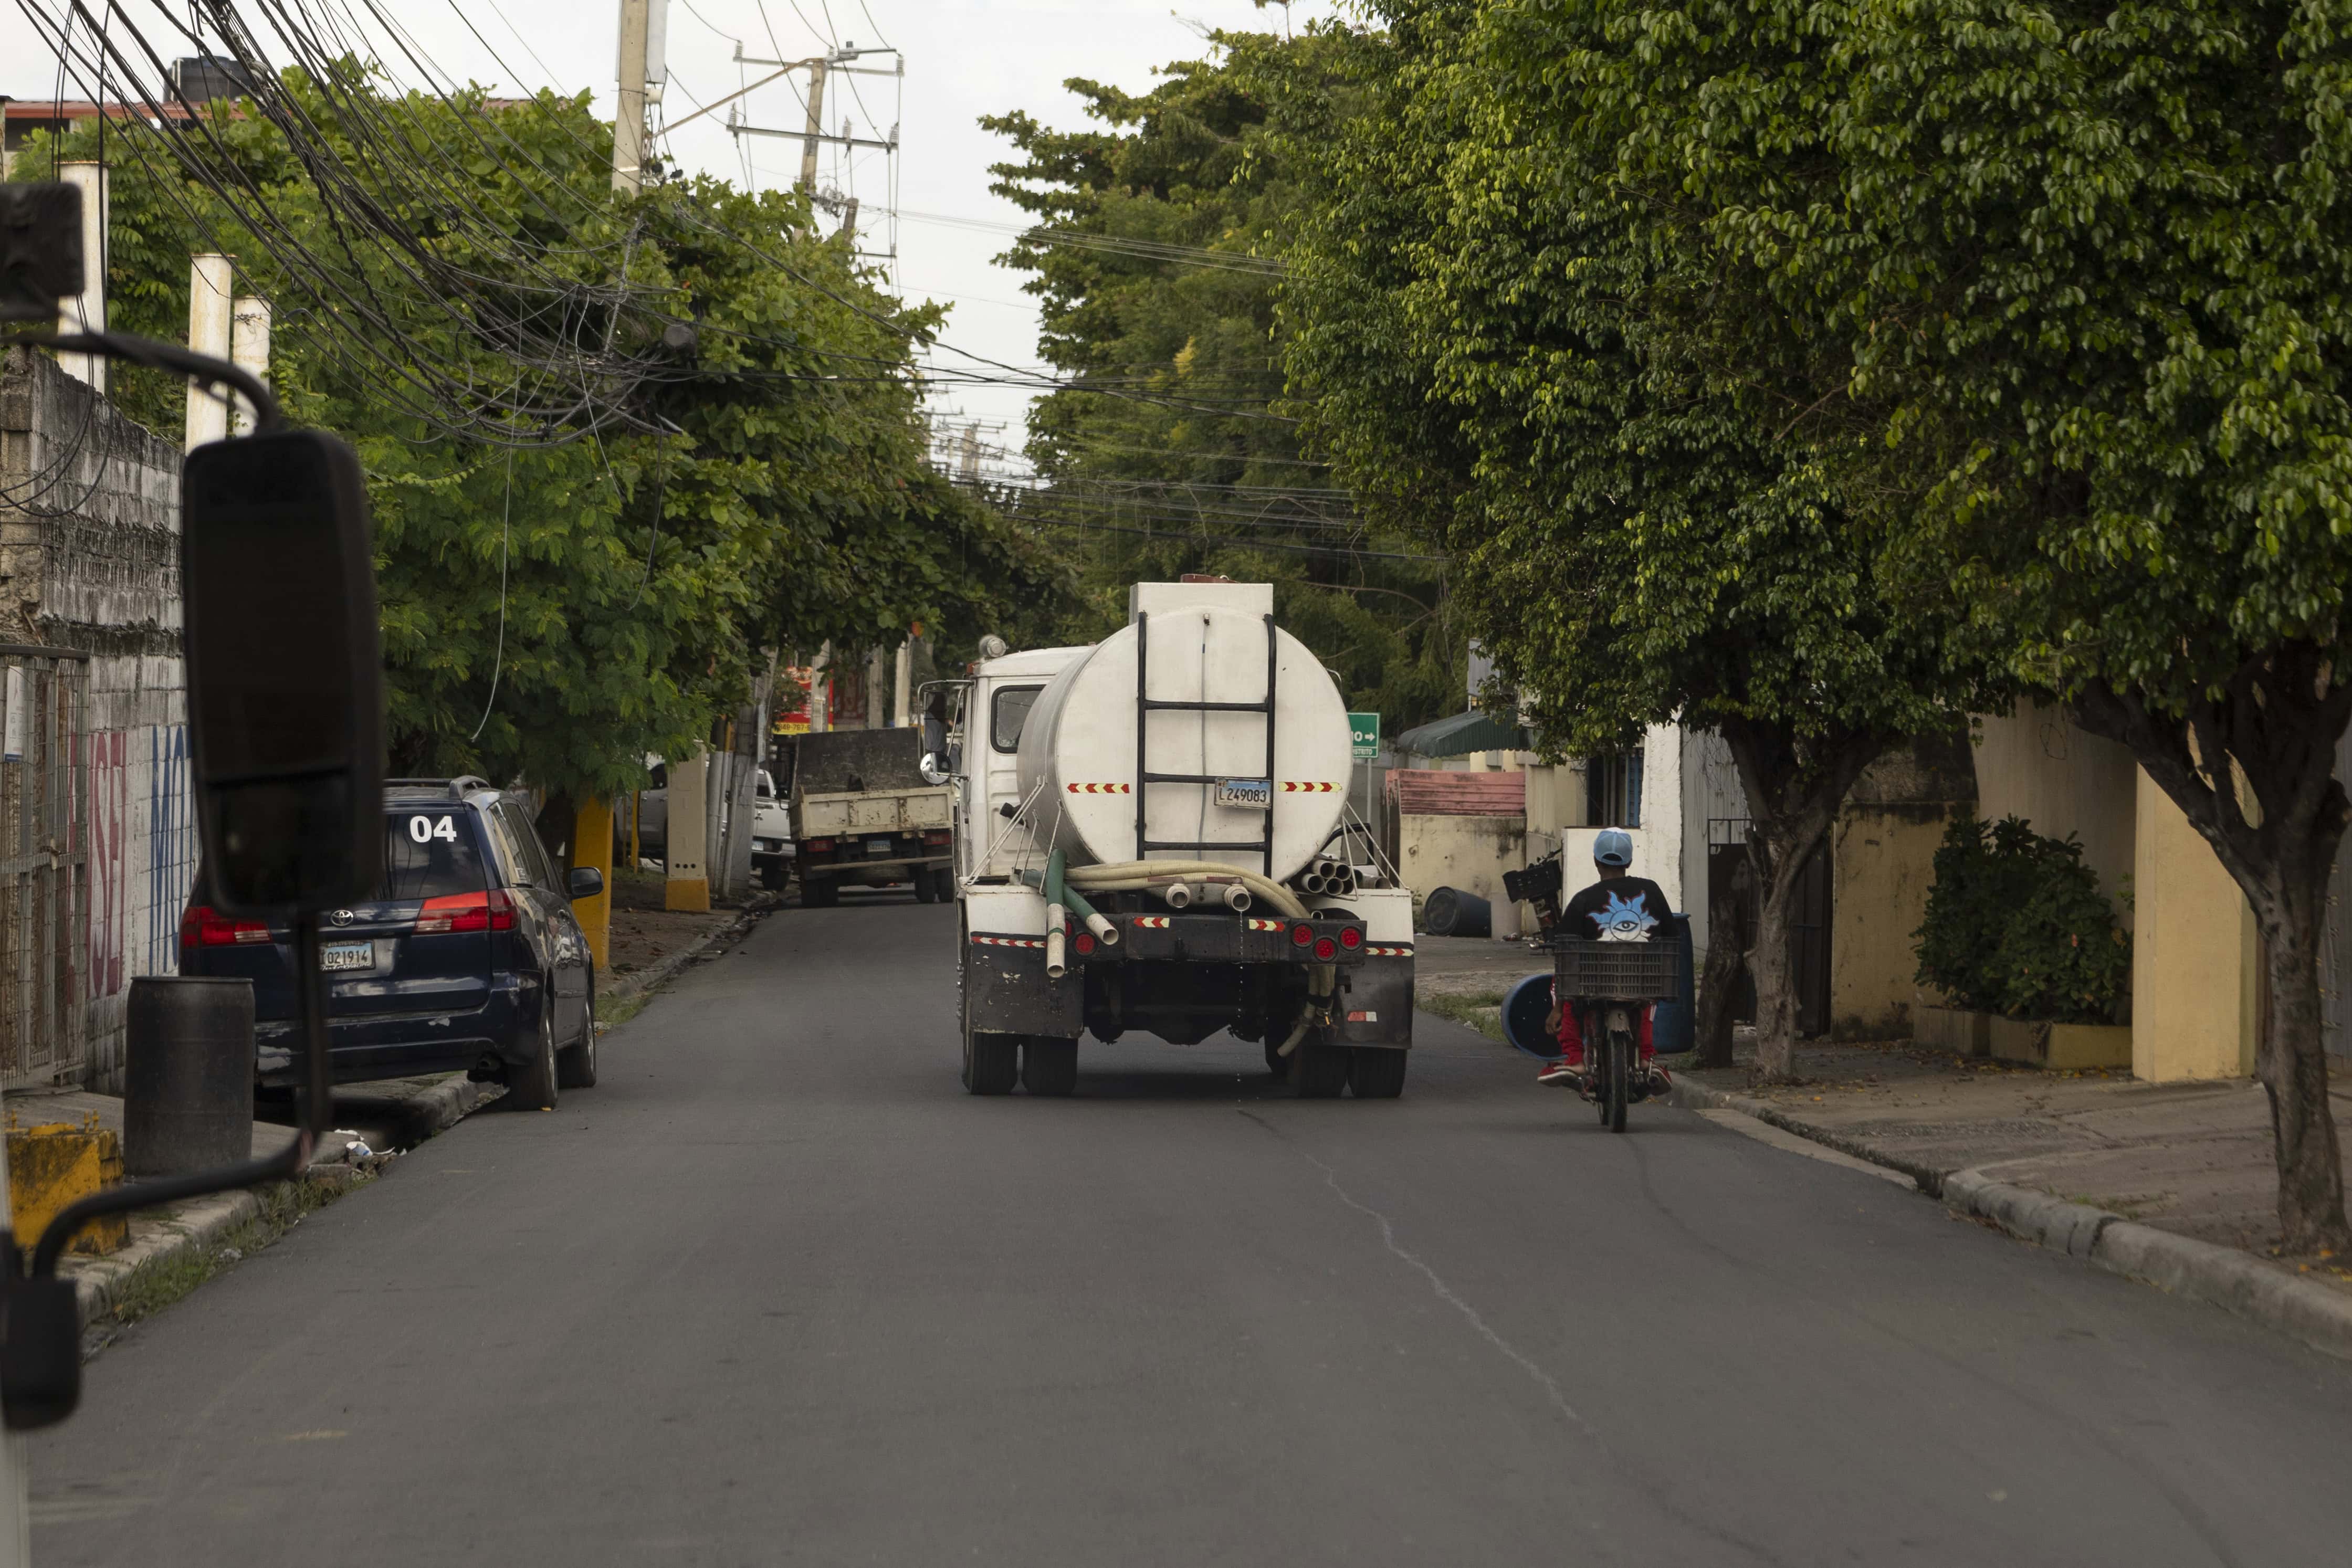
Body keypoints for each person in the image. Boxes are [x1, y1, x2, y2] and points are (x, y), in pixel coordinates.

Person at [1537, 828, 1674, 1097]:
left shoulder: (1583, 900)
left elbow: (1566, 953)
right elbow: (1672, 936)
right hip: (1642, 980)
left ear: (1596, 862)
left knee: (1561, 983)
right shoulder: (1653, 891)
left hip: (1594, 981)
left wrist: (1558, 1010)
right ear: (1629, 862)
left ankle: (1575, 1060)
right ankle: (1646, 1060)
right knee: (1648, 1000)